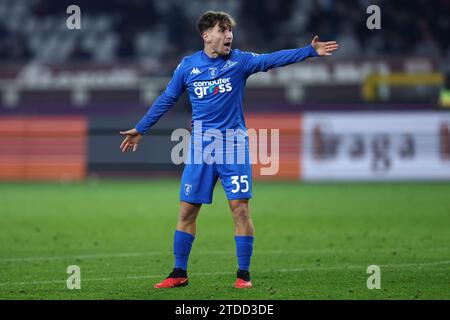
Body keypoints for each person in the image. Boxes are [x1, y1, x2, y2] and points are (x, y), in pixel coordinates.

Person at [119, 11, 339, 289]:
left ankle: (243, 275)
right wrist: (141, 128)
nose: (229, 36)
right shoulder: (188, 67)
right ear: (206, 36)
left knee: (240, 210)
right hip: (200, 148)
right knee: (186, 212)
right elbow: (166, 99)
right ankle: (178, 273)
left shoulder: (240, 61)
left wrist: (309, 51)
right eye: (222, 31)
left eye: (230, 31)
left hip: (233, 146)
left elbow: (272, 59)